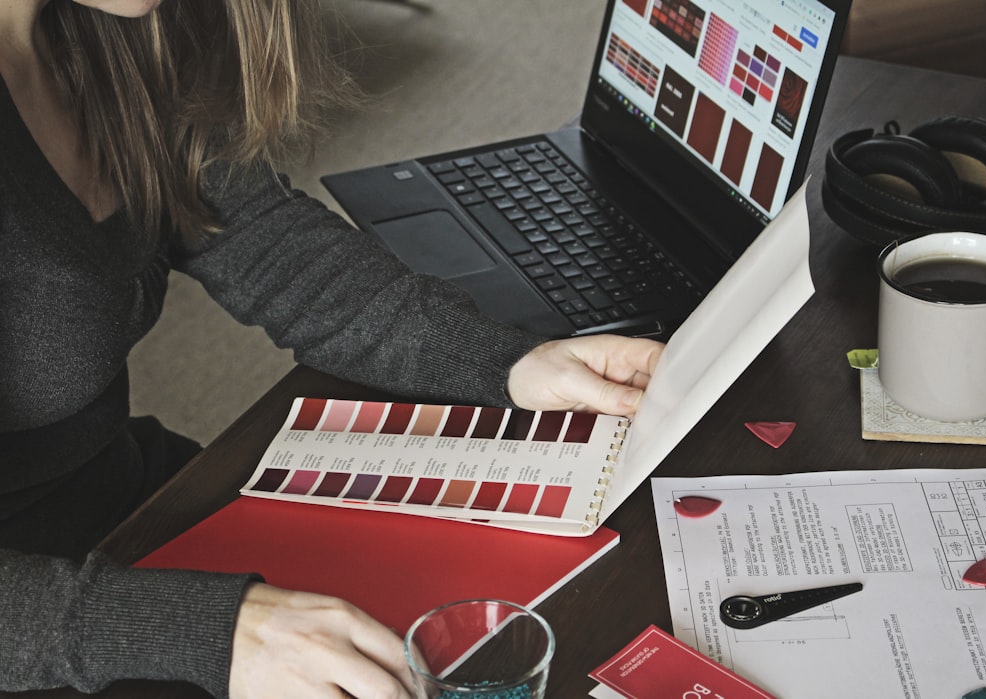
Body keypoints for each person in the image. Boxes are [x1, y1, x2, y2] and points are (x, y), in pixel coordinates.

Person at [0, 1, 665, 697]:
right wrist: (212, 631)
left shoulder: (111, 31)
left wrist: (509, 362)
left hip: (123, 510)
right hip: (37, 623)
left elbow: (259, 238)